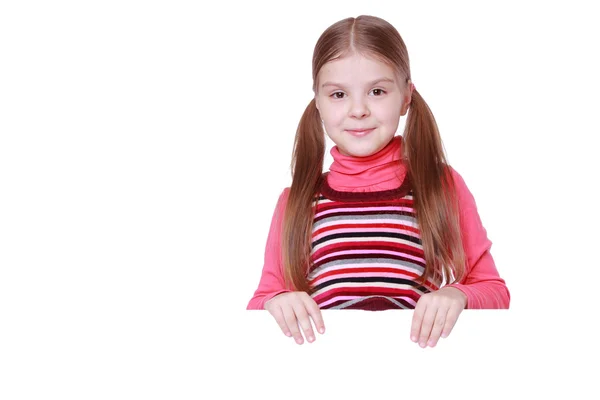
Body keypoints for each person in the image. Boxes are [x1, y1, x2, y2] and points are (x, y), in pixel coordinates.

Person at [246, 15, 510, 348]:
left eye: (377, 91)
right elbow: (259, 304)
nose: (358, 110)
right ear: (318, 103)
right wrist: (278, 302)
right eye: (339, 94)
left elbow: (495, 291)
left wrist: (456, 294)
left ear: (406, 95)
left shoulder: (440, 185)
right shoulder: (297, 201)